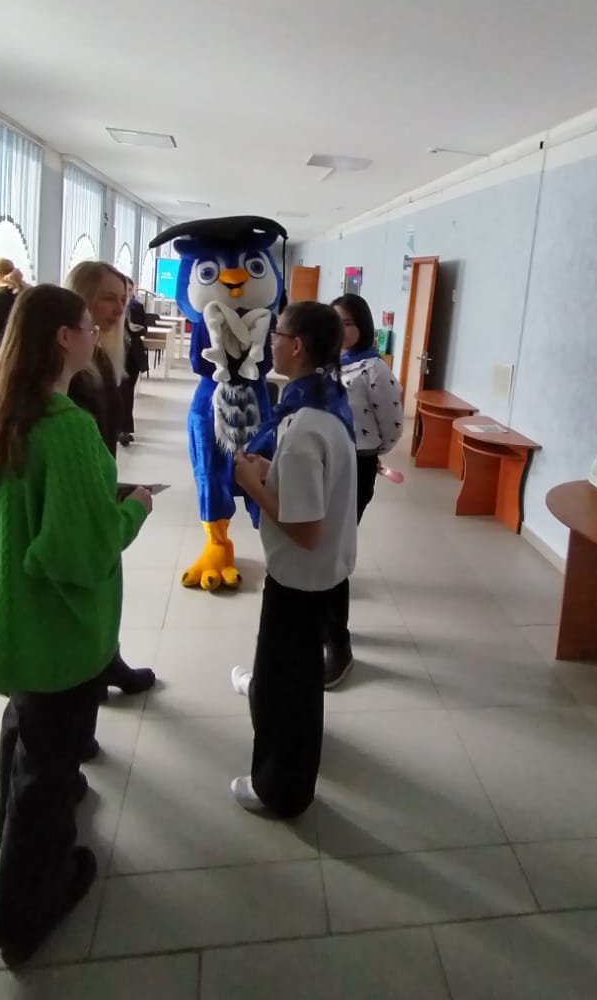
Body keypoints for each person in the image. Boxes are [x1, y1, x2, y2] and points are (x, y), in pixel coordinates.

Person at [0, 284, 153, 969]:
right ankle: (20, 918)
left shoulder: (3, 413)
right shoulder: (65, 427)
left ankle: (7, 828)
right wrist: (132, 509)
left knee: (24, 730)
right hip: (58, 630)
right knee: (47, 771)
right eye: (86, 325)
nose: (97, 333)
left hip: (13, 618)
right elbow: (77, 551)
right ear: (64, 339)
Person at [230, 301, 357, 818]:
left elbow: (304, 529)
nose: (271, 343)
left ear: (298, 346)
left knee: (288, 688)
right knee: (294, 678)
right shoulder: (327, 406)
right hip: (322, 575)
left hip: (300, 578)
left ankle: (280, 791)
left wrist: (252, 484)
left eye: (277, 334)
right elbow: (314, 490)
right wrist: (272, 471)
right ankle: (287, 759)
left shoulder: (303, 429)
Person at [64, 261, 156, 699]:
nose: (119, 308)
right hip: (78, 490)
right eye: (108, 299)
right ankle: (88, 671)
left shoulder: (102, 355)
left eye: (123, 299)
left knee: (105, 583)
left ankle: (105, 660)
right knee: (86, 583)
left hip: (99, 480)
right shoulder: (73, 369)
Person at [328, 293, 404, 686]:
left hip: (357, 465)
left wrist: (370, 451)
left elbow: (392, 424)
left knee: (334, 551)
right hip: (326, 462)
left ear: (362, 326)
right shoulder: (328, 363)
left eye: (347, 323)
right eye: (334, 322)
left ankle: (337, 642)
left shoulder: (374, 369)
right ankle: (326, 626)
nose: (340, 330)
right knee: (322, 548)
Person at [119, 277, 148, 447]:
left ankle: (125, 429)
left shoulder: (137, 307)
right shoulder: (114, 306)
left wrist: (137, 329)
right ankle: (120, 429)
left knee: (128, 392)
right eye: (125, 289)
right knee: (120, 391)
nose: (128, 293)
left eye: (130, 289)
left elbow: (145, 328)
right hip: (118, 352)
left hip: (133, 355)